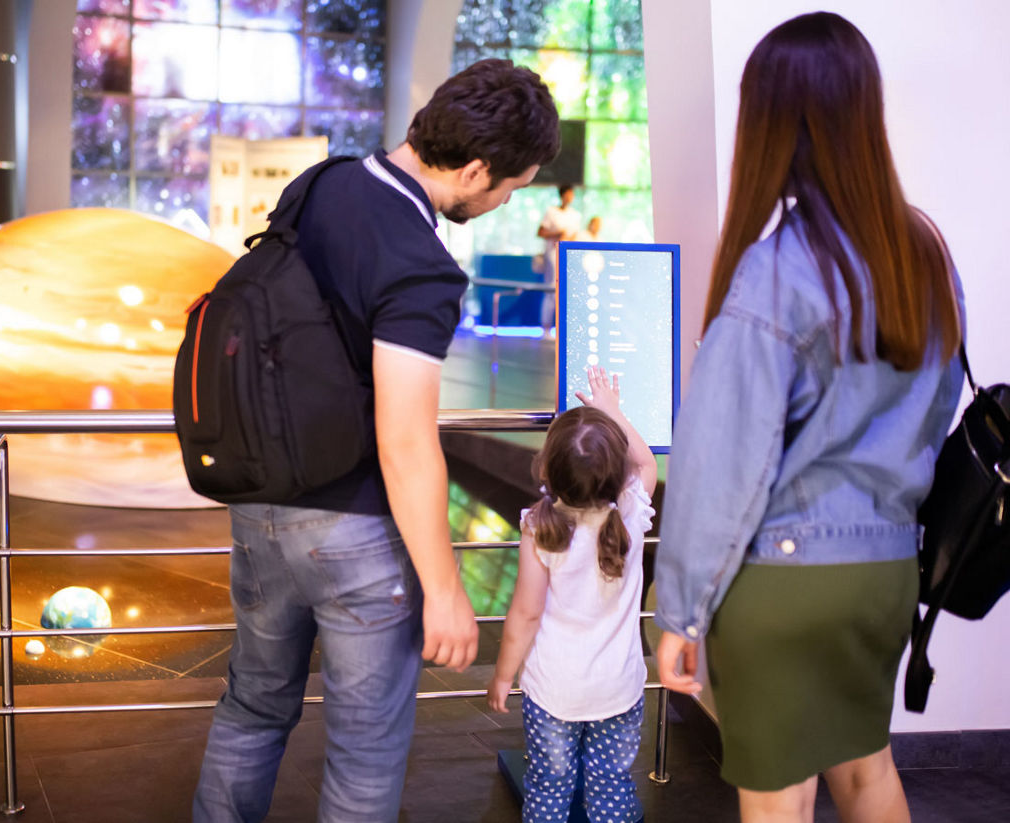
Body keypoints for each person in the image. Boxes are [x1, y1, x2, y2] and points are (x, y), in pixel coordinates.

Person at [193, 58, 560, 823]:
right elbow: (404, 438)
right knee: (363, 755)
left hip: (259, 506)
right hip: (352, 531)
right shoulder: (420, 266)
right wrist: (448, 589)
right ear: (476, 169)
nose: (499, 205)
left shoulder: (321, 183)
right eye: (507, 190)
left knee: (251, 710)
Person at [653, 12, 963, 823]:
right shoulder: (925, 256)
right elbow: (933, 419)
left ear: (772, 122)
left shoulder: (775, 270)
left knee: (778, 798)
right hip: (885, 575)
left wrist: (679, 610)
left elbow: (719, 469)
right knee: (867, 773)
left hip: (784, 584)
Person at [487, 365, 656, 823]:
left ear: (547, 468)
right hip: (619, 687)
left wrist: (503, 675)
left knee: (549, 788)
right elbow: (646, 464)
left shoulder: (539, 527)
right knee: (611, 791)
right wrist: (612, 411)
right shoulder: (631, 514)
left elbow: (525, 614)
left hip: (554, 691)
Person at [538, 183, 583, 331]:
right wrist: (556, 234)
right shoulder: (551, 212)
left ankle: (562, 328)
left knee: (566, 289)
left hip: (568, 254)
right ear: (562, 195)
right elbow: (541, 232)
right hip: (552, 253)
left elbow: (575, 235)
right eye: (568, 193)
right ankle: (546, 326)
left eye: (572, 194)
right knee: (552, 287)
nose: (570, 197)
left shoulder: (575, 215)